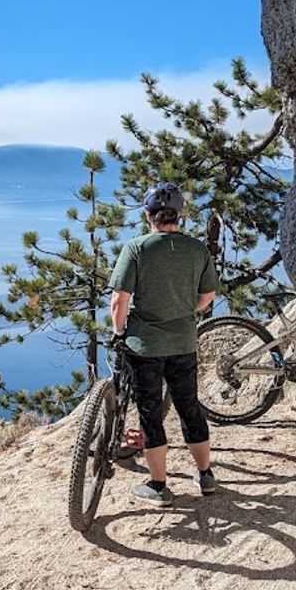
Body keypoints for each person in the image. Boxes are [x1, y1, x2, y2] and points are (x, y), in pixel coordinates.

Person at [109, 182, 218, 505]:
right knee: (189, 408)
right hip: (184, 342)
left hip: (145, 347)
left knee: (150, 413)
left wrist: (118, 333)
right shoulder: (197, 249)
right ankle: (206, 475)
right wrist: (184, 311)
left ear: (148, 215)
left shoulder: (137, 249)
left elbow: (119, 301)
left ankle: (158, 485)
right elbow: (207, 297)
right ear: (179, 216)